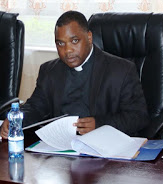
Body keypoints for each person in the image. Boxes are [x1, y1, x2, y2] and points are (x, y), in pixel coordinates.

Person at [1, 11, 149, 138]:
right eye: (60, 44)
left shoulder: (122, 70)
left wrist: (100, 124)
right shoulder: (49, 71)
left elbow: (138, 117)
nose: (68, 50)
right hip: (60, 150)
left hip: (104, 153)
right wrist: (18, 119)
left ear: (89, 37)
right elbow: (36, 107)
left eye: (75, 41)